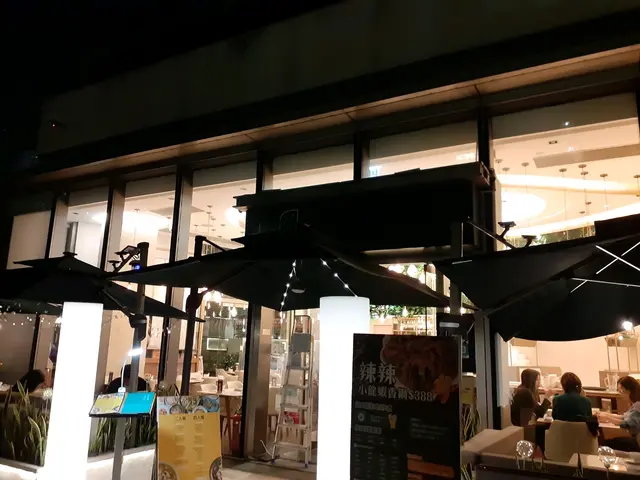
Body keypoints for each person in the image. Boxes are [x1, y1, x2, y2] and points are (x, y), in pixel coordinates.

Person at [597, 376, 640, 452]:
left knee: (607, 443)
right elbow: (625, 417)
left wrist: (607, 418)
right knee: (609, 441)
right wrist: (606, 415)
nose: (620, 394)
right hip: (636, 440)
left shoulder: (638, 405)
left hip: (638, 443)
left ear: (628, 391)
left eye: (621, 390)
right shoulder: (636, 404)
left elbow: (627, 423)